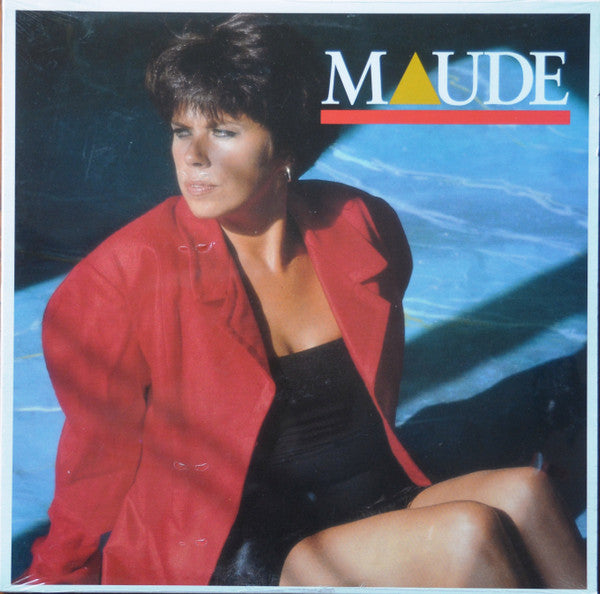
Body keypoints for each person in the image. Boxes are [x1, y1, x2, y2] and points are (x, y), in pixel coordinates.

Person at [20, 14, 585, 588]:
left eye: (223, 131)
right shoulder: (125, 273)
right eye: (180, 130)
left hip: (367, 499)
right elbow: (97, 453)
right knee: (469, 535)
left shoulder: (358, 224)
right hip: (240, 545)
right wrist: (57, 572)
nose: (192, 156)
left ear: (285, 147)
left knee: (527, 493)